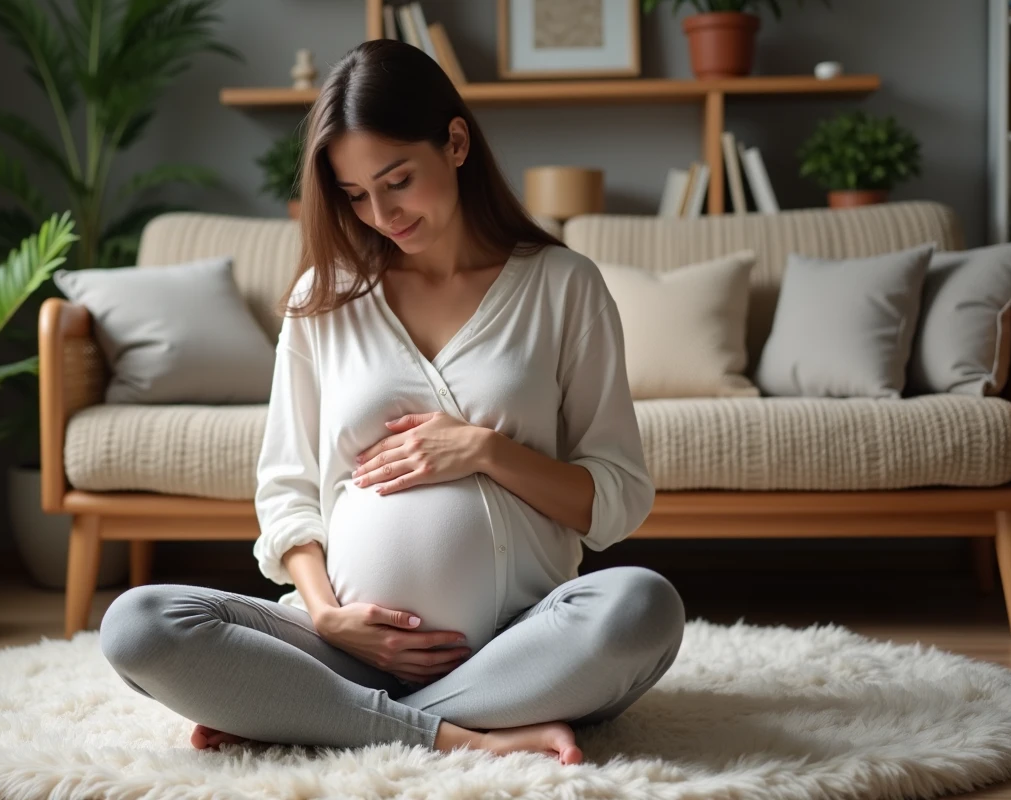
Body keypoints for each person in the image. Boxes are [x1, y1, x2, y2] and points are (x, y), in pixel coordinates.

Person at [99, 38, 685, 766]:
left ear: (457, 142)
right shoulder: (324, 299)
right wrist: (329, 616)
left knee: (642, 609)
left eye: (397, 180)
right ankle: (459, 733)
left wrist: (484, 451)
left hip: (518, 643)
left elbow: (618, 497)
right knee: (138, 625)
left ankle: (317, 716)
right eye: (354, 195)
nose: (380, 213)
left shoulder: (564, 287)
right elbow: (285, 492)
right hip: (342, 648)